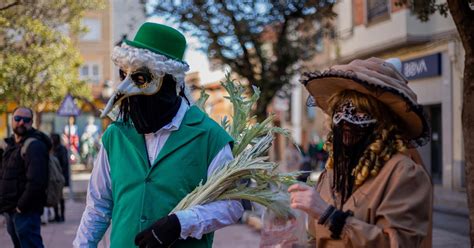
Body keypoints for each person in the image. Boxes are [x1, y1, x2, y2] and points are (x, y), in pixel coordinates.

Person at [73, 22, 243, 248]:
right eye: (125, 75)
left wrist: (180, 224)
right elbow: (98, 205)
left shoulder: (210, 137)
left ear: (171, 82)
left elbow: (232, 205)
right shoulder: (116, 135)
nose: (132, 97)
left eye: (142, 80)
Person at [288, 57, 432, 247]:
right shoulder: (332, 173)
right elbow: (318, 239)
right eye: (339, 110)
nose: (346, 120)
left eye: (359, 111)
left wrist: (330, 216)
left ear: (383, 120)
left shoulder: (403, 174)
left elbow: (395, 243)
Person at [0, 107, 50, 248]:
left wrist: (21, 207)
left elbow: (37, 182)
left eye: (26, 120)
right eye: (17, 119)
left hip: (25, 212)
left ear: (31, 122)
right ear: (12, 120)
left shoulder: (35, 146)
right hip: (10, 210)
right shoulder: (9, 145)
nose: (21, 122)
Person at [51, 133, 69, 222]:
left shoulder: (61, 149)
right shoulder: (52, 150)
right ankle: (56, 216)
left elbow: (64, 164)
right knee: (55, 196)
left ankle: (61, 216)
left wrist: (60, 174)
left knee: (60, 196)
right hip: (54, 177)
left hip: (60, 176)